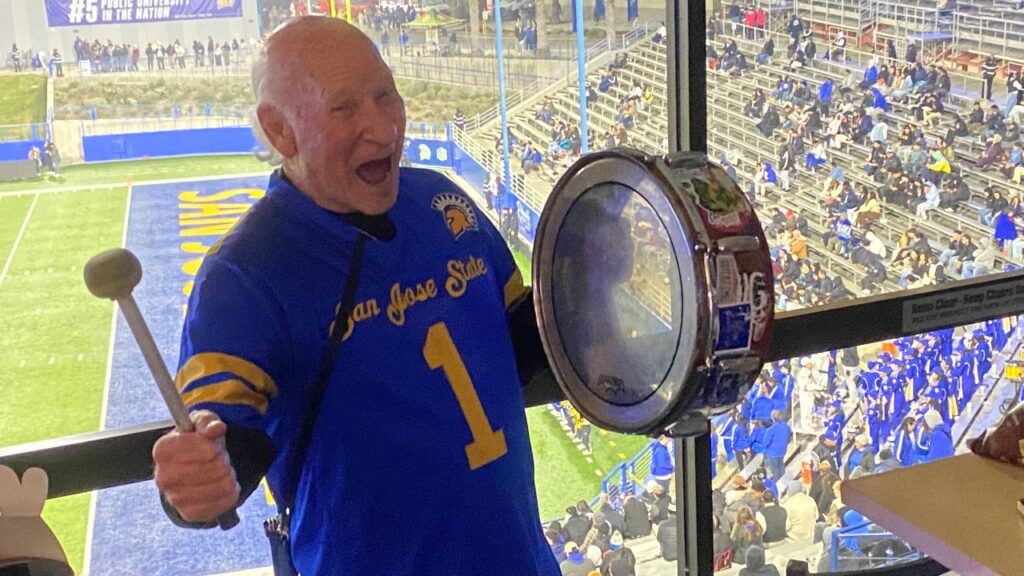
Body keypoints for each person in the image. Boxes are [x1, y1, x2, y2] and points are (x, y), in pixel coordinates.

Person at [151, 17, 560, 576]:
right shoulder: (243, 273)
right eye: (344, 108)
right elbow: (220, 443)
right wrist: (198, 478)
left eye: (385, 95)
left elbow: (529, 340)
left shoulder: (443, 203)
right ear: (280, 132)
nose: (384, 129)